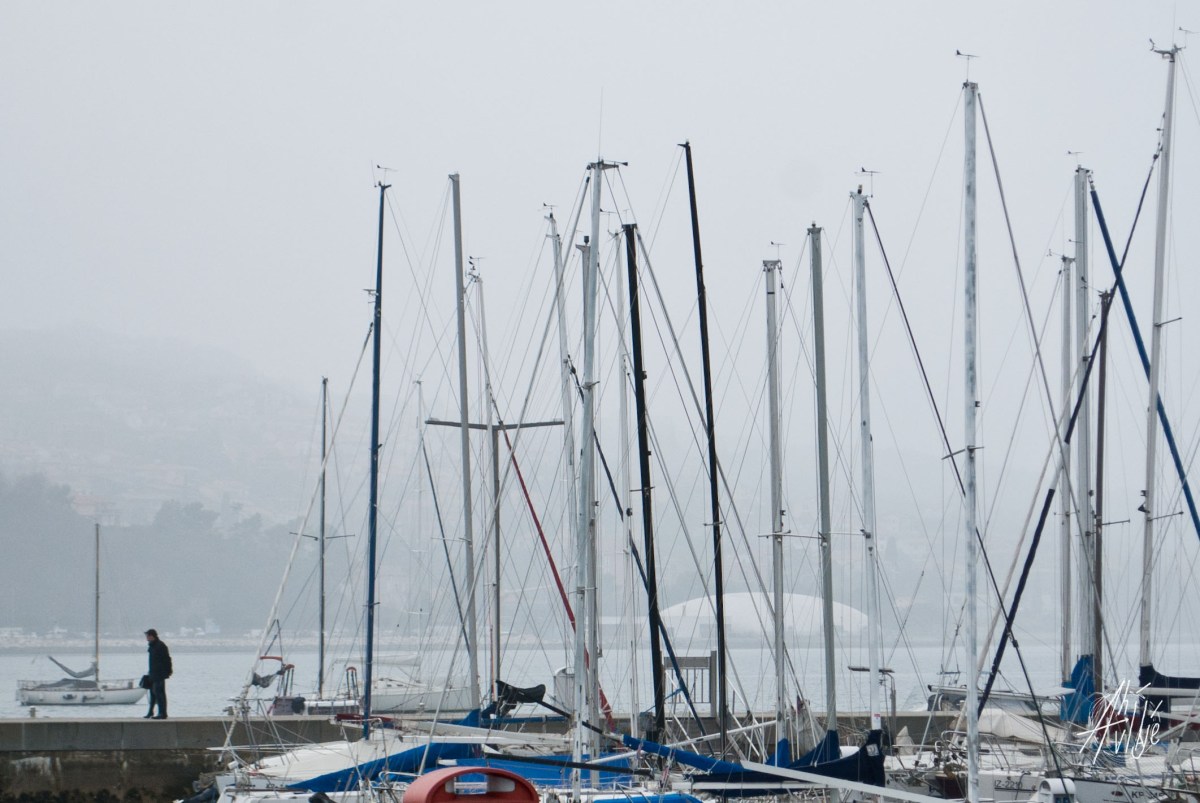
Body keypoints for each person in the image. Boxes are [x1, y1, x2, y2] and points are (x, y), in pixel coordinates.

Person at [144, 628, 172, 719]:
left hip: (160, 674)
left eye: (148, 636)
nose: (146, 637)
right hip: (153, 673)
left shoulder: (160, 645)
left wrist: (168, 671)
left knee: (159, 693)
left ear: (152, 636)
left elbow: (167, 659)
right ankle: (150, 712)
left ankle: (162, 713)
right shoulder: (152, 646)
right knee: (153, 693)